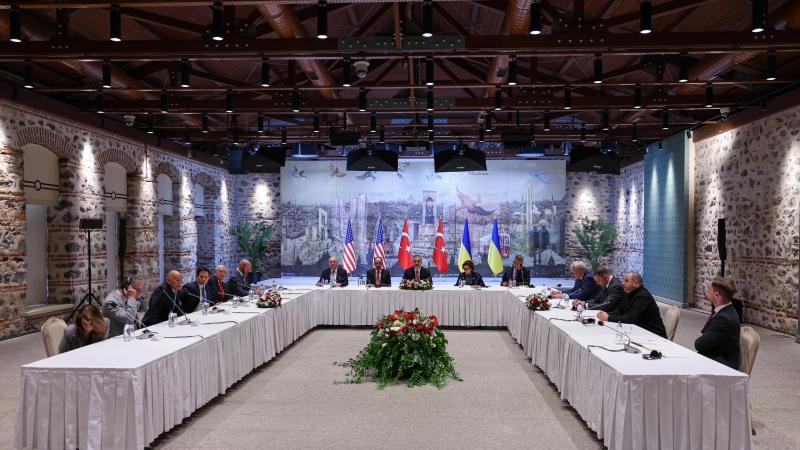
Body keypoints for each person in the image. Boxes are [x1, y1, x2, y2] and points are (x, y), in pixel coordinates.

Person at [597, 272, 667, 339]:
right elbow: (620, 311)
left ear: (636, 283)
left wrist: (609, 318)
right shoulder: (628, 292)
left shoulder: (643, 296)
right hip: (639, 332)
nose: (622, 283)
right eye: (623, 280)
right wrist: (605, 314)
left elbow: (631, 319)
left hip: (654, 335)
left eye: (626, 281)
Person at [694, 277, 741, 370]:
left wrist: (701, 339)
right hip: (717, 357)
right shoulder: (726, 310)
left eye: (709, 289)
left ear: (716, 294)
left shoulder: (724, 318)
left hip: (723, 365)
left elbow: (700, 345)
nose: (706, 291)